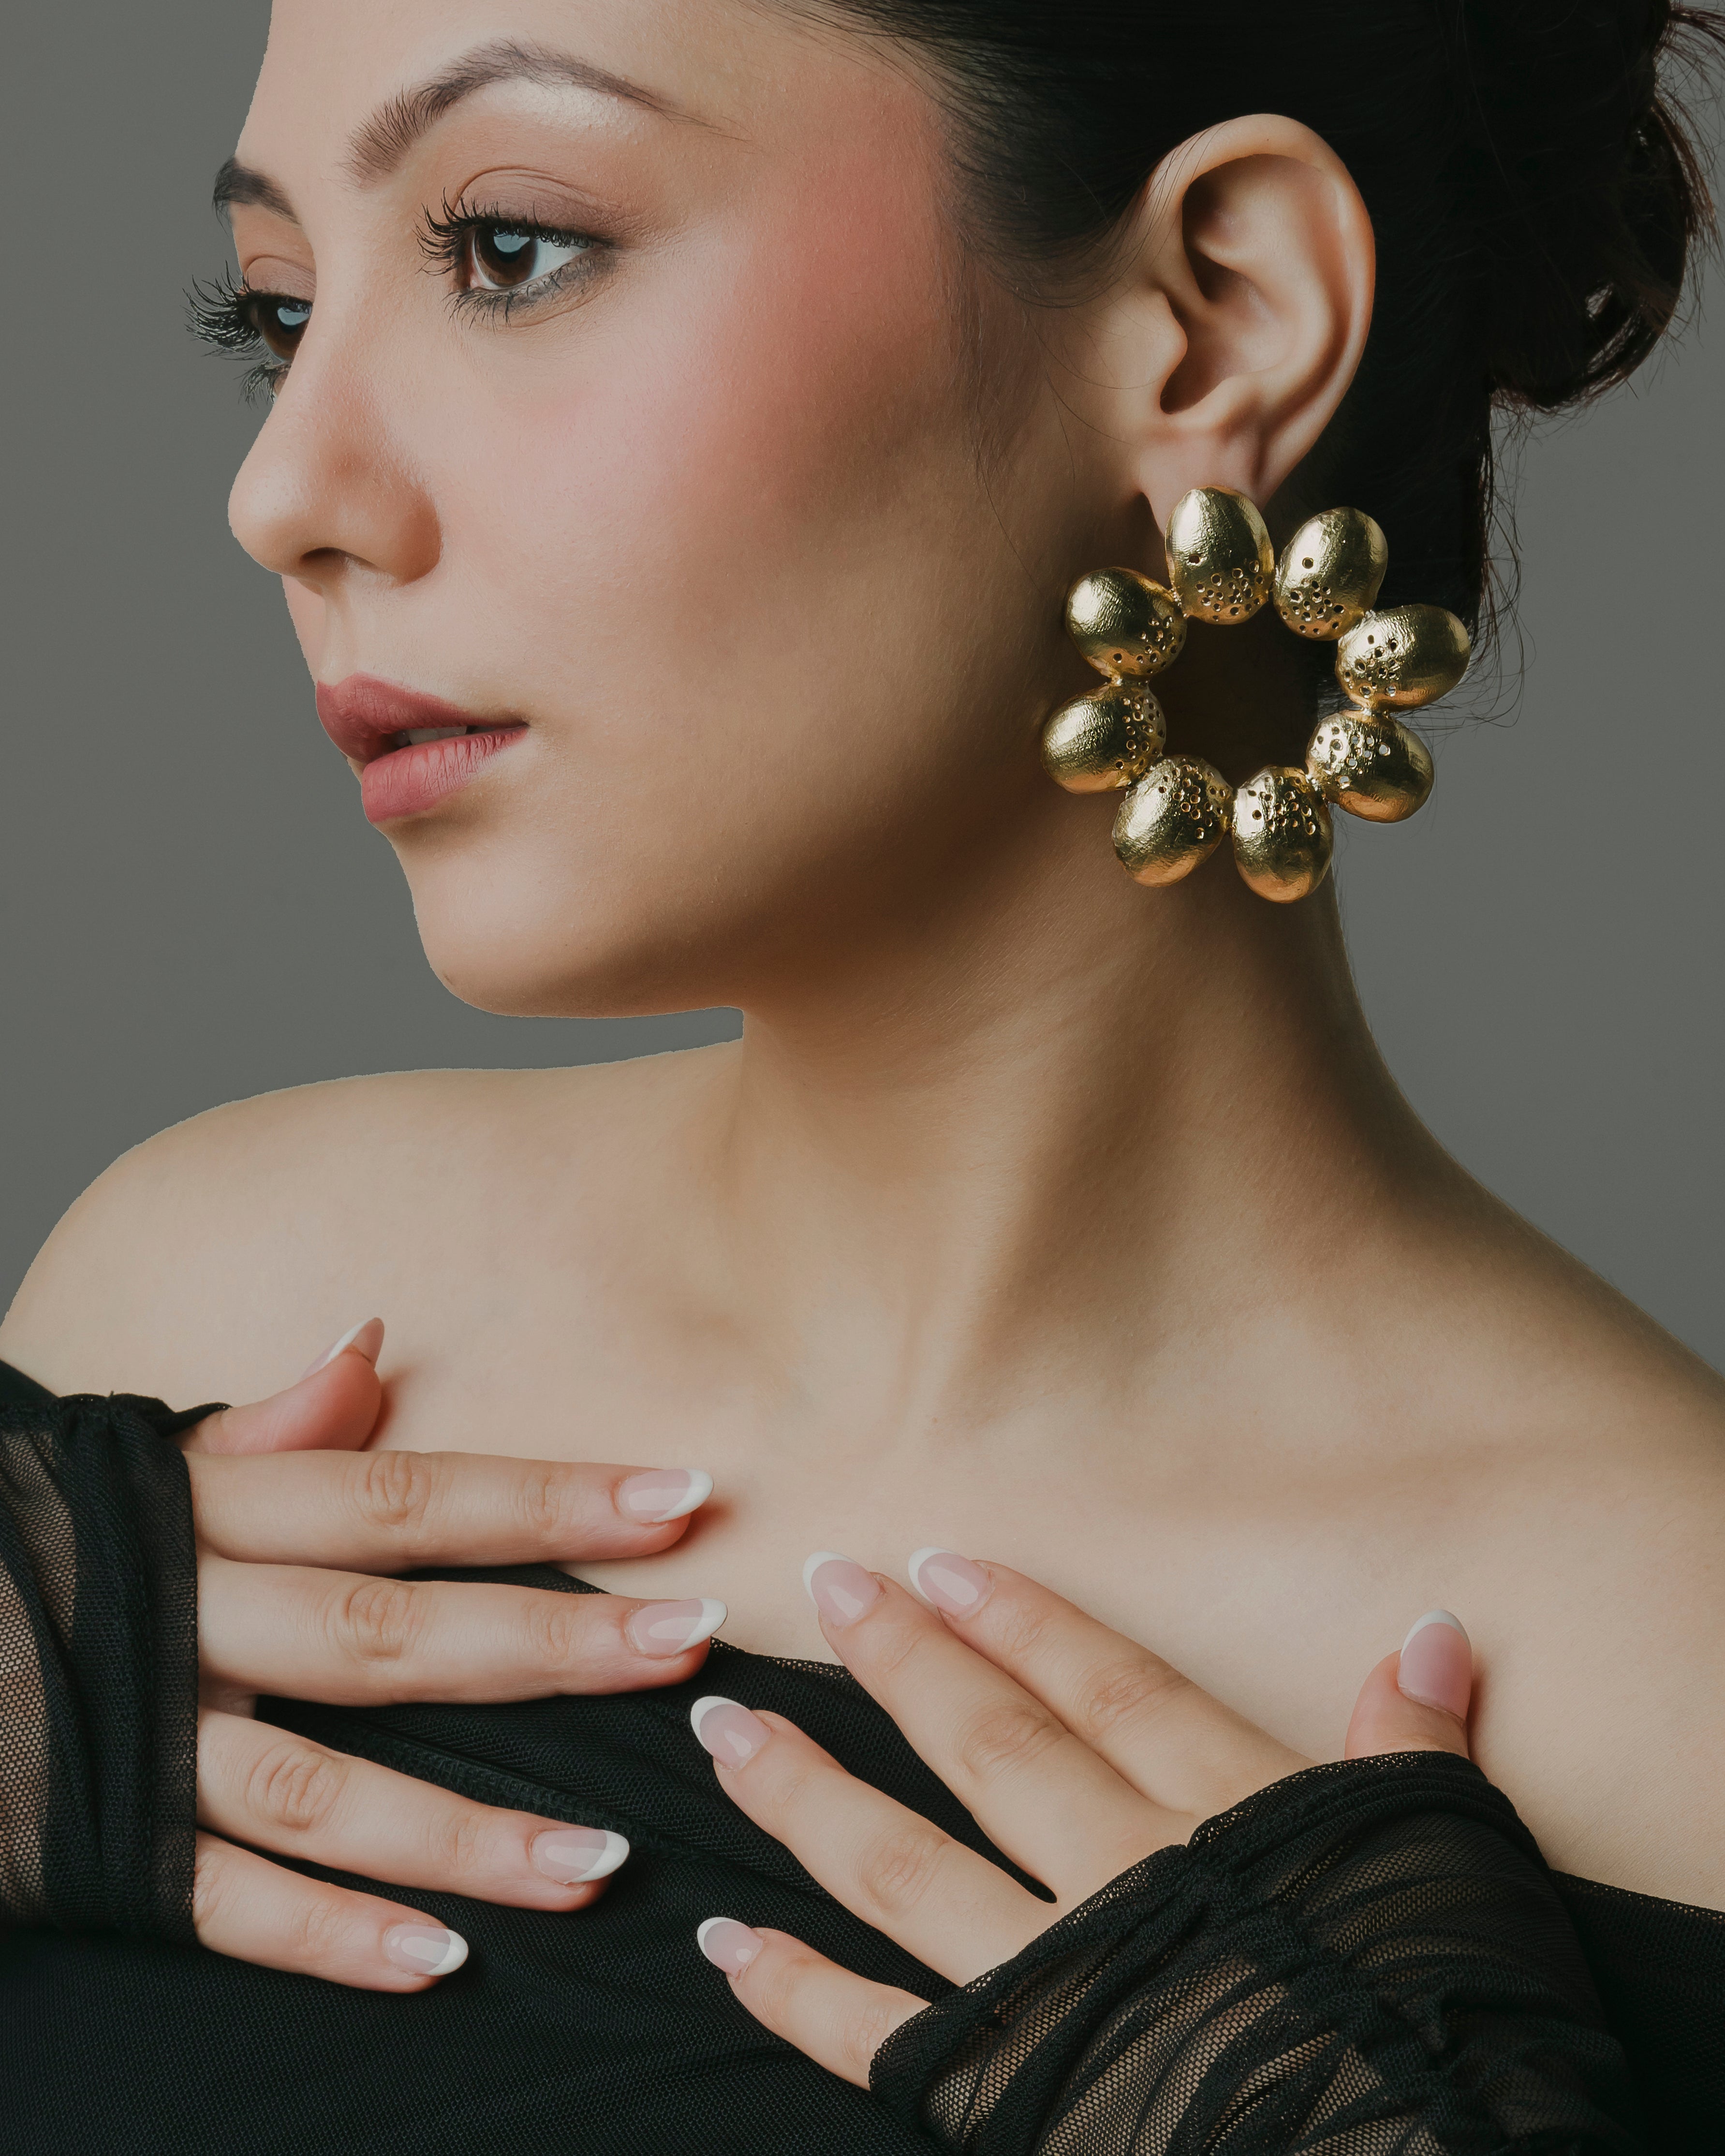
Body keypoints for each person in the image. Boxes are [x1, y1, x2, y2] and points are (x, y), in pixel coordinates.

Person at [1, 0, 1721, 2147]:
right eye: (276, 306)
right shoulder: (195, 1325)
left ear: (1214, 322)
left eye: (510, 248)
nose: (286, 490)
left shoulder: (1682, 1689)